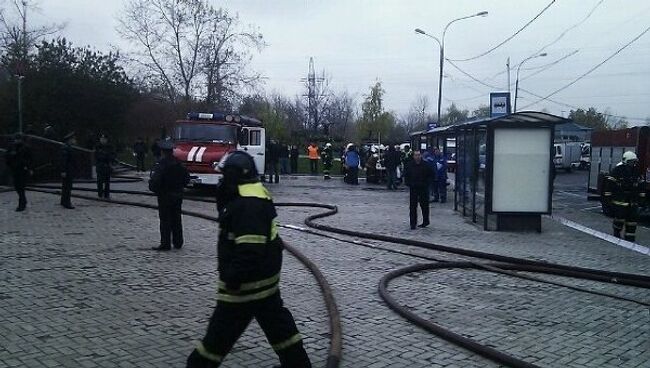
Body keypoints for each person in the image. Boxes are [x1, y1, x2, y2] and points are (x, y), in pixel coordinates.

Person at [187, 150, 312, 368]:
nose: (222, 181)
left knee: (215, 341)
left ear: (236, 175)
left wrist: (233, 279)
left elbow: (250, 249)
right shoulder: (252, 195)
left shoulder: (247, 205)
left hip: (244, 288)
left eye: (225, 176)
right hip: (265, 284)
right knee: (281, 330)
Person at [148, 139, 190, 251]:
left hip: (165, 195)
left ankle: (165, 243)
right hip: (178, 194)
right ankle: (178, 241)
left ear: (162, 151)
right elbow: (187, 179)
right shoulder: (179, 163)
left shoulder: (161, 164)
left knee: (165, 220)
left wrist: (154, 188)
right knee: (177, 218)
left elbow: (155, 181)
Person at [603, 151, 645, 242]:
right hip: (620, 201)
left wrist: (641, 199)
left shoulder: (636, 172)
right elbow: (609, 185)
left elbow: (641, 185)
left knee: (632, 221)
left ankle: (630, 238)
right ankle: (617, 232)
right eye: (631, 161)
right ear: (626, 161)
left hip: (632, 201)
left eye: (634, 162)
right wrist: (608, 199)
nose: (633, 163)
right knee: (619, 219)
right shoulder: (618, 170)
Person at [404, 150, 432, 230]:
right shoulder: (410, 165)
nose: (417, 157)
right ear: (413, 156)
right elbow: (406, 175)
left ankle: (425, 221)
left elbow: (431, 175)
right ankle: (413, 223)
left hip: (423, 188)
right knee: (413, 206)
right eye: (416, 155)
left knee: (424, 206)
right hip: (413, 188)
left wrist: (427, 184)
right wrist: (409, 183)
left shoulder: (426, 165)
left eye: (419, 155)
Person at [5, 134, 33, 211]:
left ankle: (22, 203)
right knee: (17, 187)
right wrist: (11, 158)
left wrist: (29, 167)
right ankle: (23, 201)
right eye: (16, 139)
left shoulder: (26, 148)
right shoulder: (12, 147)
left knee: (21, 187)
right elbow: (7, 156)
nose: (16, 140)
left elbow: (30, 159)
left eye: (18, 139)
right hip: (14, 169)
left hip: (22, 169)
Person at [95, 134, 115, 199]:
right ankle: (100, 194)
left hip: (107, 166)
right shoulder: (97, 146)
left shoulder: (110, 147)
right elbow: (97, 156)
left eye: (104, 139)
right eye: (101, 139)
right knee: (99, 181)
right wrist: (106, 156)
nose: (103, 140)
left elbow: (113, 155)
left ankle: (107, 194)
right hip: (100, 166)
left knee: (107, 181)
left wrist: (109, 159)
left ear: (106, 140)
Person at [60, 132, 77, 209]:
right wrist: (63, 170)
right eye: (73, 139)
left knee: (65, 186)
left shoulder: (67, 147)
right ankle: (67, 202)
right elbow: (64, 160)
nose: (75, 140)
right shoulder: (66, 148)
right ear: (70, 140)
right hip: (67, 170)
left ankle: (63, 201)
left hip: (68, 169)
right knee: (67, 187)